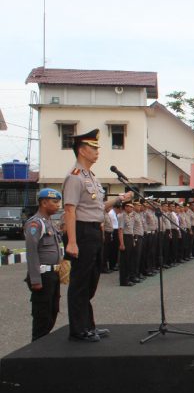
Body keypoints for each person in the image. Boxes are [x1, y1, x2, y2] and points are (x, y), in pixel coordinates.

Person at [62, 129, 132, 341]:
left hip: (94, 231)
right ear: (82, 150)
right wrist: (72, 242)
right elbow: (70, 210)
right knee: (80, 282)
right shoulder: (74, 177)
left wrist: (119, 199)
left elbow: (99, 207)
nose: (97, 152)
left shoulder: (91, 177)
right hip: (81, 231)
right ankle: (78, 329)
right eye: (93, 148)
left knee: (91, 281)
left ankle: (88, 325)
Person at [24, 188, 64, 341]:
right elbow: (31, 252)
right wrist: (35, 279)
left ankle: (44, 345)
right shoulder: (35, 223)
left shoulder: (49, 223)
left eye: (58, 202)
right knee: (42, 314)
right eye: (54, 202)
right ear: (44, 203)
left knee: (53, 310)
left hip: (53, 274)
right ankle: (37, 347)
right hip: (42, 275)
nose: (58, 205)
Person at [118, 201, 135, 286]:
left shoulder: (130, 216)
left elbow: (131, 230)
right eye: (130, 206)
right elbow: (120, 230)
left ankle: (128, 278)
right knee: (124, 260)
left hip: (130, 237)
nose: (132, 208)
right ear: (126, 207)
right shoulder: (122, 216)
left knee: (130, 259)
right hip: (125, 238)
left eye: (132, 207)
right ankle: (123, 281)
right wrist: (122, 243)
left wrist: (133, 240)